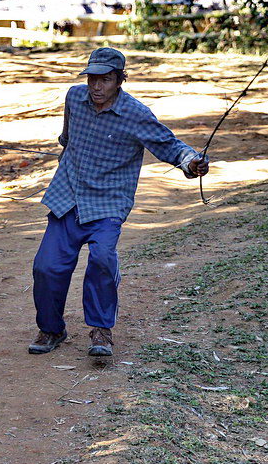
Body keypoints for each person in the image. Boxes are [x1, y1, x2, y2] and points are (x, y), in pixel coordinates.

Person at [28, 47, 209, 358]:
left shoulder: (135, 114)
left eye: (105, 80)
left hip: (109, 202)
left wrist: (191, 163)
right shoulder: (74, 98)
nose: (96, 87)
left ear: (120, 80)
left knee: (101, 260)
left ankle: (100, 331)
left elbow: (168, 145)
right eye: (92, 79)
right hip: (67, 196)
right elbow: (67, 138)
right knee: (46, 267)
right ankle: (51, 329)